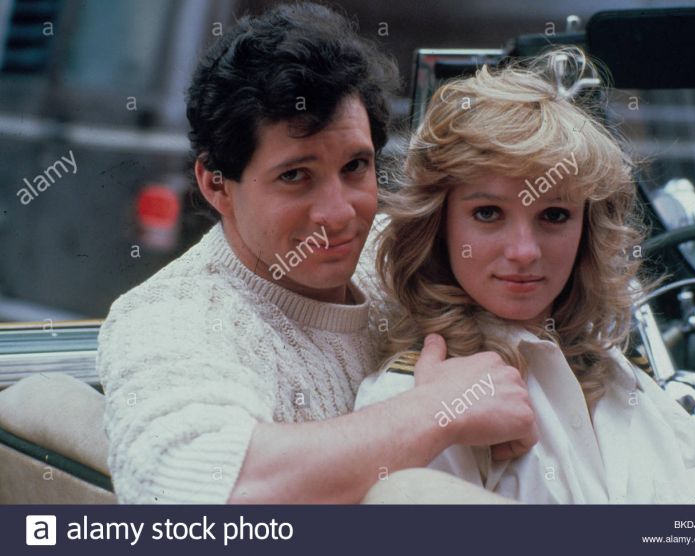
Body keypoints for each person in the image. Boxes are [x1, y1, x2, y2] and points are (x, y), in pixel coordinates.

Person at [96, 2, 536, 504]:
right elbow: (193, 494)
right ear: (216, 185)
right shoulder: (168, 319)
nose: (339, 213)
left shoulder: (398, 252)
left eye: (354, 167)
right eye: (295, 176)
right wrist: (440, 410)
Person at [355, 47, 695, 504]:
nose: (524, 252)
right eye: (488, 213)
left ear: (588, 230)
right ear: (438, 224)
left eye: (554, 215)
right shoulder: (413, 401)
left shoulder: (621, 377)